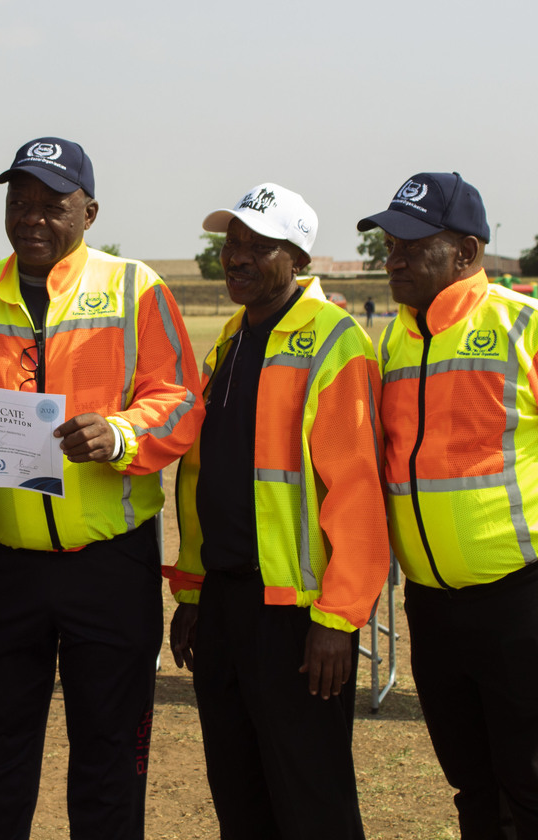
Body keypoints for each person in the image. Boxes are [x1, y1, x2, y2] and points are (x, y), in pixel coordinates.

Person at [0, 137, 204, 839]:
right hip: (2, 569)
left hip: (108, 568)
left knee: (110, 762)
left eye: (53, 204)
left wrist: (121, 434)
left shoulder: (136, 288)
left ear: (90, 212)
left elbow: (180, 400)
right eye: (20, 202)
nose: (33, 217)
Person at [166, 184, 389, 840]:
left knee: (312, 803)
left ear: (298, 258)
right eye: (232, 243)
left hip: (297, 619)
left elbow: (358, 492)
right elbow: (206, 476)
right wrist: (193, 591)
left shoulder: (333, 340)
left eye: (258, 246)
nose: (237, 257)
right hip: (225, 605)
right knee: (240, 796)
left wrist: (339, 621)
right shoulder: (231, 340)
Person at [357, 172, 538, 837]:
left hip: (520, 602)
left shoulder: (522, 324)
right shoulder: (393, 341)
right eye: (389, 246)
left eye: (411, 246)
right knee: (471, 786)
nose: (393, 260)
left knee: (531, 785)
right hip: (431, 610)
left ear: (465, 252)